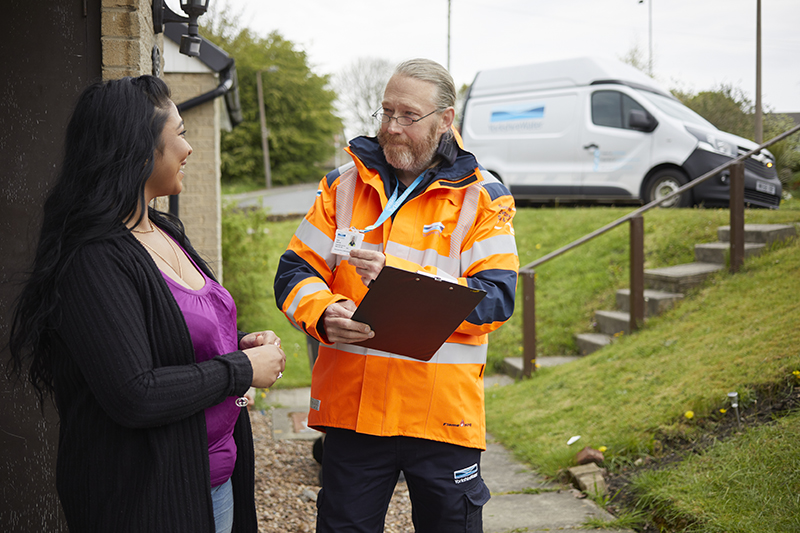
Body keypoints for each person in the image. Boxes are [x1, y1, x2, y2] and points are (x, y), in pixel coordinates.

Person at [7, 75, 285, 533]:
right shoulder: (93, 258)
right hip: (145, 497)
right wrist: (238, 368)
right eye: (179, 134)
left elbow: (168, 334)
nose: (188, 148)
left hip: (214, 479)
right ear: (137, 150)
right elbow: (134, 393)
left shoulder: (163, 231)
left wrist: (240, 345)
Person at [274, 59, 519, 532]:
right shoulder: (342, 184)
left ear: (445, 121)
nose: (391, 127)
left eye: (408, 115)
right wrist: (323, 313)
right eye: (385, 112)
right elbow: (295, 270)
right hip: (354, 411)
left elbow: (494, 299)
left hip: (441, 418)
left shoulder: (484, 197)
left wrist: (401, 278)